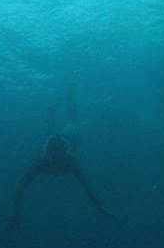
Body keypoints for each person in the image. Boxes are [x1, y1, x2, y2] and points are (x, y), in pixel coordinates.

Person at [7, 84, 114, 226]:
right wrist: (99, 206)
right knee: (66, 122)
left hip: (67, 139)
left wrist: (16, 212)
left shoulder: (60, 161)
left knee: (63, 124)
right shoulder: (52, 161)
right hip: (65, 139)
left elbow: (20, 186)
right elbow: (88, 186)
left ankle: (60, 102)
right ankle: (61, 100)